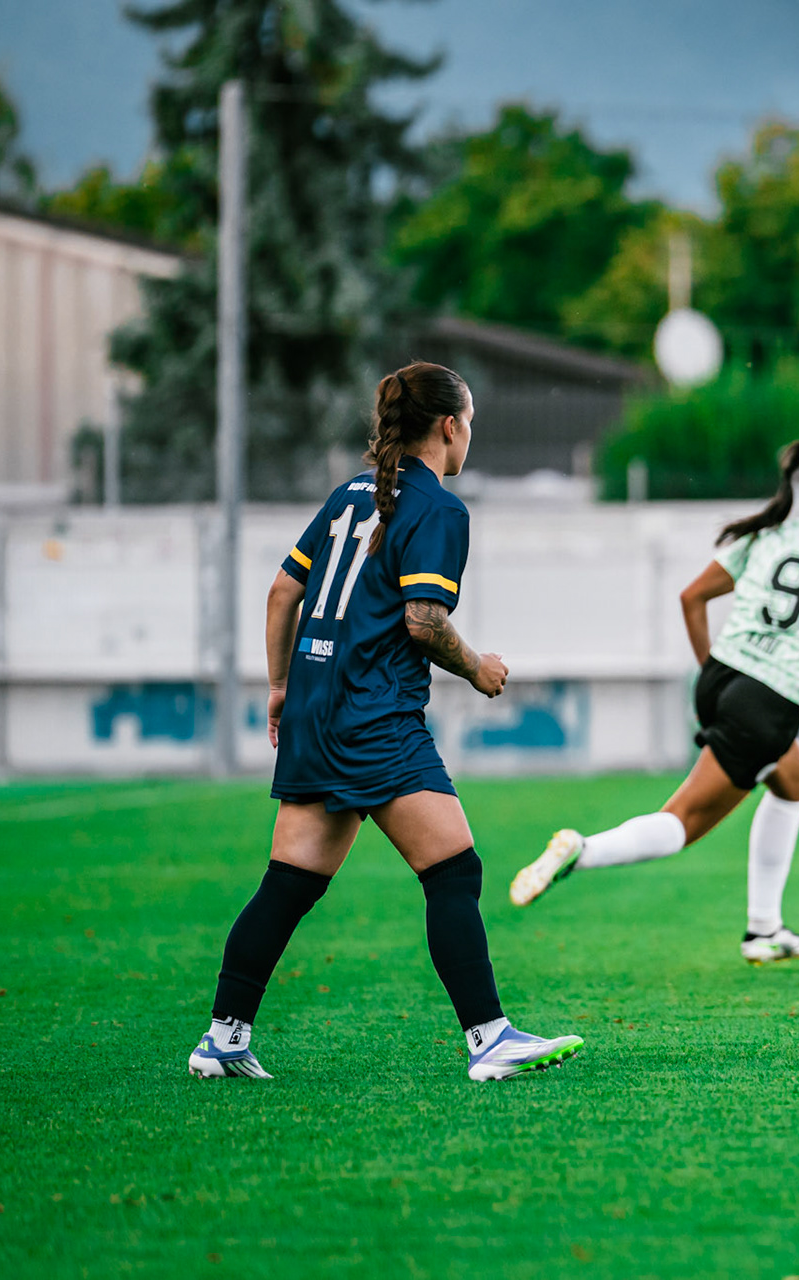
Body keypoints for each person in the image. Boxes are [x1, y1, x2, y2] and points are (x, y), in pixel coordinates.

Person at [187, 362, 582, 1083]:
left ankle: (223, 1038)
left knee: (288, 883)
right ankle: (490, 1038)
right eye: (470, 424)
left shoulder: (350, 495)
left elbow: (282, 592)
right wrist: (478, 668)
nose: (469, 437)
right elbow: (423, 622)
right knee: (454, 870)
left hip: (315, 707)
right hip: (375, 715)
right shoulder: (438, 510)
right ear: (449, 427)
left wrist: (279, 685)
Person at [508, 441, 799, 965]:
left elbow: (690, 597)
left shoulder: (771, 532)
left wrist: (718, 676)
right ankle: (581, 850)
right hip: (768, 696)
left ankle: (764, 929)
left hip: (722, 676)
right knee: (682, 822)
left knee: (794, 779)